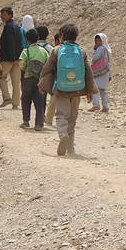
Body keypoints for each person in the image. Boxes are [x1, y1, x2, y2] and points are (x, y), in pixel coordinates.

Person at [38, 23, 97, 156]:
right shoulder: (81, 51)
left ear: (62, 36)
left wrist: (41, 83)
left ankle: (63, 134)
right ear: (76, 37)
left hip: (61, 88)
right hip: (77, 88)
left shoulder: (57, 50)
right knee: (72, 117)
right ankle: (70, 147)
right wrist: (90, 90)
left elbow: (47, 69)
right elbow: (88, 71)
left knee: (61, 115)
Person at [19, 28, 49, 130]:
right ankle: (39, 123)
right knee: (40, 101)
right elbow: (48, 64)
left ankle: (26, 121)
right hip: (40, 80)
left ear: (27, 39)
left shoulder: (25, 51)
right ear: (38, 38)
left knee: (25, 99)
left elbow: (22, 66)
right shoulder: (43, 51)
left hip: (28, 78)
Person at [0, 7, 23, 109]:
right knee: (16, 81)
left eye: (4, 14)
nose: (2, 16)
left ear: (10, 15)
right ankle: (16, 103)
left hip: (9, 59)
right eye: (2, 14)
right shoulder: (16, 26)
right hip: (17, 57)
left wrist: (11, 58)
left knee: (1, 77)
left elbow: (11, 43)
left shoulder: (8, 27)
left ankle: (7, 98)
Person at [89, 33, 112, 112]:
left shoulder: (100, 48)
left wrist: (94, 50)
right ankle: (105, 107)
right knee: (103, 90)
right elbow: (108, 62)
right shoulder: (107, 49)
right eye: (96, 40)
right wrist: (110, 74)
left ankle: (96, 105)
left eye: (99, 40)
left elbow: (95, 58)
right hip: (105, 71)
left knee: (95, 88)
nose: (98, 42)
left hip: (99, 72)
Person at [44, 32, 60, 126]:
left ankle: (49, 119)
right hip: (70, 80)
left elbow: (50, 66)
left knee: (53, 101)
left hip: (56, 80)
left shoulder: (55, 50)